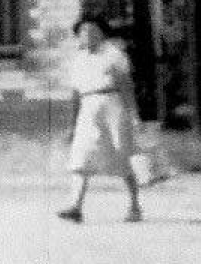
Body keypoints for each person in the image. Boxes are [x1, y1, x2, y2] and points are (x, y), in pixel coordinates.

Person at [58, 16, 142, 223]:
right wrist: (72, 124)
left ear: (102, 34)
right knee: (81, 156)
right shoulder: (78, 60)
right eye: (83, 32)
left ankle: (134, 206)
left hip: (112, 104)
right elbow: (76, 93)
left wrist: (133, 114)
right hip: (88, 107)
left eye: (93, 31)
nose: (88, 35)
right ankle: (75, 206)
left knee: (123, 154)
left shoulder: (114, 56)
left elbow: (126, 86)